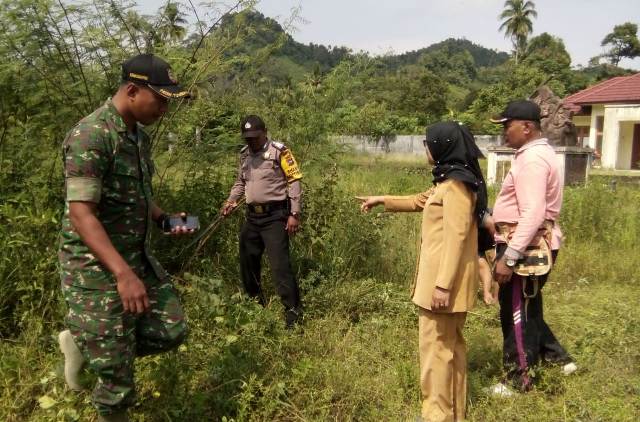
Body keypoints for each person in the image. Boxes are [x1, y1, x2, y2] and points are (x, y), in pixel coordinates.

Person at [57, 54, 193, 422]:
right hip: (96, 270)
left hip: (135, 258)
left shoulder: (137, 137)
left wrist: (164, 219)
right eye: (160, 99)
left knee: (172, 329)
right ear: (132, 90)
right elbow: (81, 213)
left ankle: (90, 341)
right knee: (119, 383)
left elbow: (140, 195)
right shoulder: (92, 135)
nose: (164, 108)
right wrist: (122, 275)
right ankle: (104, 358)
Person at [358, 121, 487, 422]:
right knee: (448, 351)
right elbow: (421, 200)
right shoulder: (449, 182)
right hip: (446, 285)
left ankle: (437, 415)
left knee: (436, 354)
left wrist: (442, 286)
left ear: (443, 145)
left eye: (428, 143)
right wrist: (382, 200)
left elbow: (456, 239)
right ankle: (450, 413)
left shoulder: (455, 187)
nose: (425, 148)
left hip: (443, 288)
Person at [489, 100, 576, 396]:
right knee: (529, 306)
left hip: (524, 246)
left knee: (516, 312)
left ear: (526, 127)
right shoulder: (537, 154)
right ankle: (556, 358)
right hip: (531, 241)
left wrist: (510, 257)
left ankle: (518, 379)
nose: (504, 132)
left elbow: (533, 212)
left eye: (507, 125)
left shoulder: (532, 160)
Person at [221, 115, 303, 328]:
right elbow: (241, 182)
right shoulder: (244, 155)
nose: (252, 142)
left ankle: (293, 314)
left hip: (275, 217)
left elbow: (294, 180)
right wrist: (231, 201)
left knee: (280, 266)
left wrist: (294, 213)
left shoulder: (279, 151)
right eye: (248, 138)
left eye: (255, 137)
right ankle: (256, 307)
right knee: (248, 263)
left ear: (265, 132)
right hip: (252, 217)